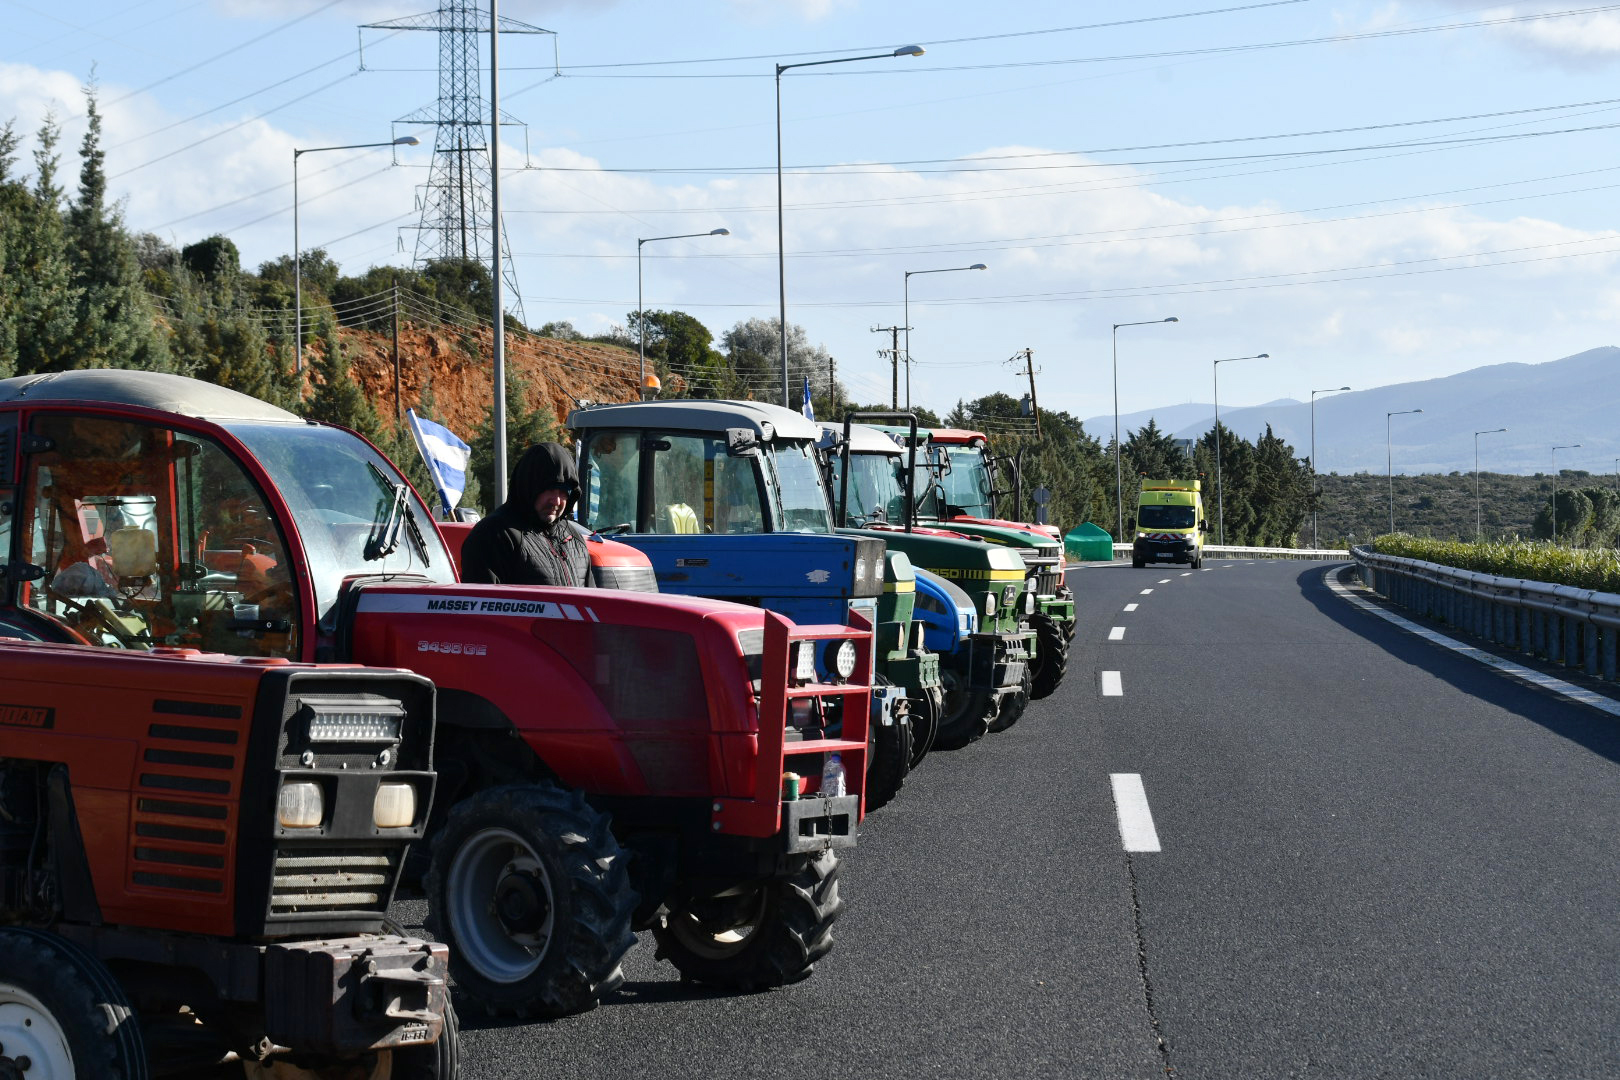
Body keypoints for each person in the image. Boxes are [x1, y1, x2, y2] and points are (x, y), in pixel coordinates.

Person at [460, 443, 594, 587]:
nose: (556, 501)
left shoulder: (573, 537)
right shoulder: (493, 535)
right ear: (528, 486)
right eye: (549, 489)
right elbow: (483, 604)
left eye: (563, 491)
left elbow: (592, 603)